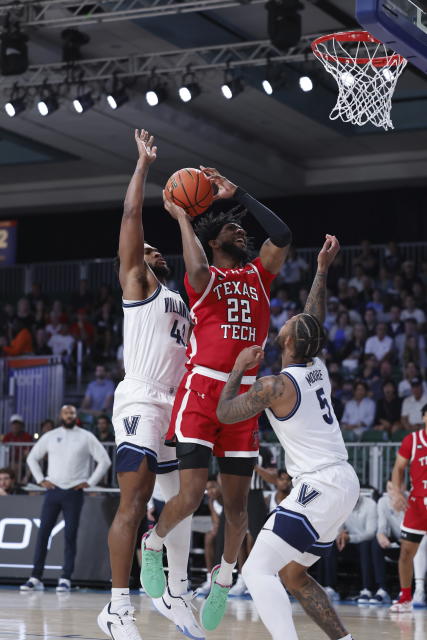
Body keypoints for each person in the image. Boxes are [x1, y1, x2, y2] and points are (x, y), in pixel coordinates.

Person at [141, 163, 292, 632]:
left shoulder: (258, 277)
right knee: (189, 497)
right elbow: (195, 265)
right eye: (232, 227)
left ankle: (225, 578)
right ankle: (153, 544)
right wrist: (181, 215)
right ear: (213, 240)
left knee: (239, 508)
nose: (241, 232)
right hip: (202, 391)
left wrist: (239, 194)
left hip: (245, 399)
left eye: (241, 228)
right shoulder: (203, 280)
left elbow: (282, 235)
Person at [216, 236, 360, 640]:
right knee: (293, 575)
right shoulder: (316, 367)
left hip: (320, 483)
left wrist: (237, 369)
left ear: (289, 342)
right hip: (343, 482)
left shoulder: (275, 386)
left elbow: (225, 414)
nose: (294, 317)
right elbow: (313, 318)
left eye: (293, 322)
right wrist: (321, 269)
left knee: (257, 569)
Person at [97, 130, 202, 640]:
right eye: (149, 248)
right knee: (133, 501)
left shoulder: (179, 295)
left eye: (159, 250)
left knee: (182, 500)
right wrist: (142, 164)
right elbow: (131, 219)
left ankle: (174, 587)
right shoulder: (138, 283)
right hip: (141, 398)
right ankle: (117, 607)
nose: (153, 250)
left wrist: (197, 211)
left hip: (174, 405)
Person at [22, 404, 111, 593]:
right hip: (53, 490)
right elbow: (32, 458)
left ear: (76, 415)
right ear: (61, 415)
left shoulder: (86, 436)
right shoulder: (50, 436)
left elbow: (105, 460)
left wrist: (89, 482)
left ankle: (65, 578)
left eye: (72, 413)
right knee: (43, 534)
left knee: (70, 536)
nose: (69, 415)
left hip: (74, 492)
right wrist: (40, 480)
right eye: (65, 413)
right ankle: (35, 577)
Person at [388, 403, 427, 611]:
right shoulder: (412, 440)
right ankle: (405, 598)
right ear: (424, 417)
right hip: (418, 504)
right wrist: (396, 492)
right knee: (406, 553)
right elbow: (398, 468)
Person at [335, 493, 378, 604]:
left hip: (364, 543)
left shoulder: (370, 505)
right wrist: (340, 535)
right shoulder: (341, 503)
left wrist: (350, 538)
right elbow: (338, 528)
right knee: (329, 543)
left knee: (365, 544)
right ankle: (330, 587)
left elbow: (371, 533)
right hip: (348, 543)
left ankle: (367, 589)